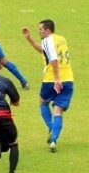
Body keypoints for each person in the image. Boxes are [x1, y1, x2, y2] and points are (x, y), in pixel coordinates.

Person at [22, 19, 74, 153]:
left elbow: (54, 59)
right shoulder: (61, 39)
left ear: (47, 30)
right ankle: (53, 140)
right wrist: (30, 39)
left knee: (42, 102)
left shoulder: (47, 40)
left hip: (52, 79)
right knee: (58, 111)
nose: (39, 31)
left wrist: (57, 78)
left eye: (40, 29)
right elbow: (45, 52)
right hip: (68, 79)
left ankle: (51, 127)